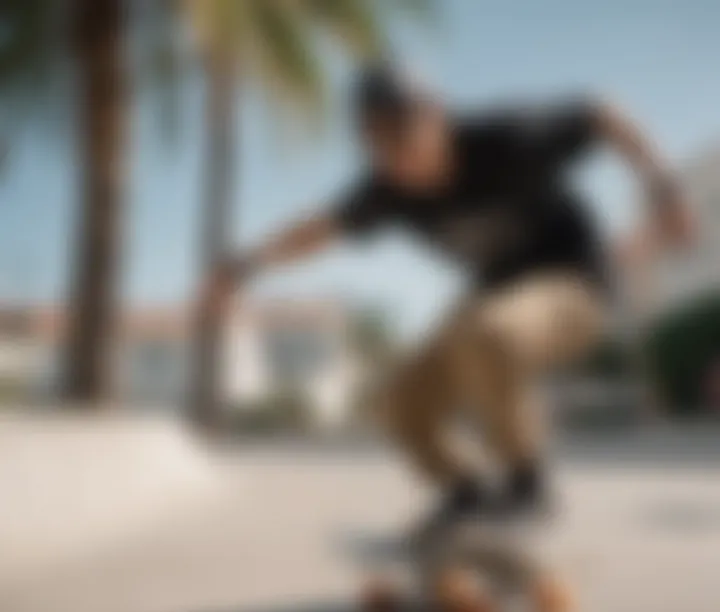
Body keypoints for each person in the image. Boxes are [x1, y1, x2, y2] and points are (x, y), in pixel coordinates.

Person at [202, 65, 694, 522]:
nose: (399, 160)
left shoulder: (507, 139)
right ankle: (465, 494)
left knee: (488, 332)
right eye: (379, 145)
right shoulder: (387, 188)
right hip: (493, 297)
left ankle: (528, 487)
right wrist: (245, 266)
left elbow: (600, 111)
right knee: (402, 399)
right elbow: (320, 229)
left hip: (574, 286)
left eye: (404, 137)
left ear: (436, 115)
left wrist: (665, 189)